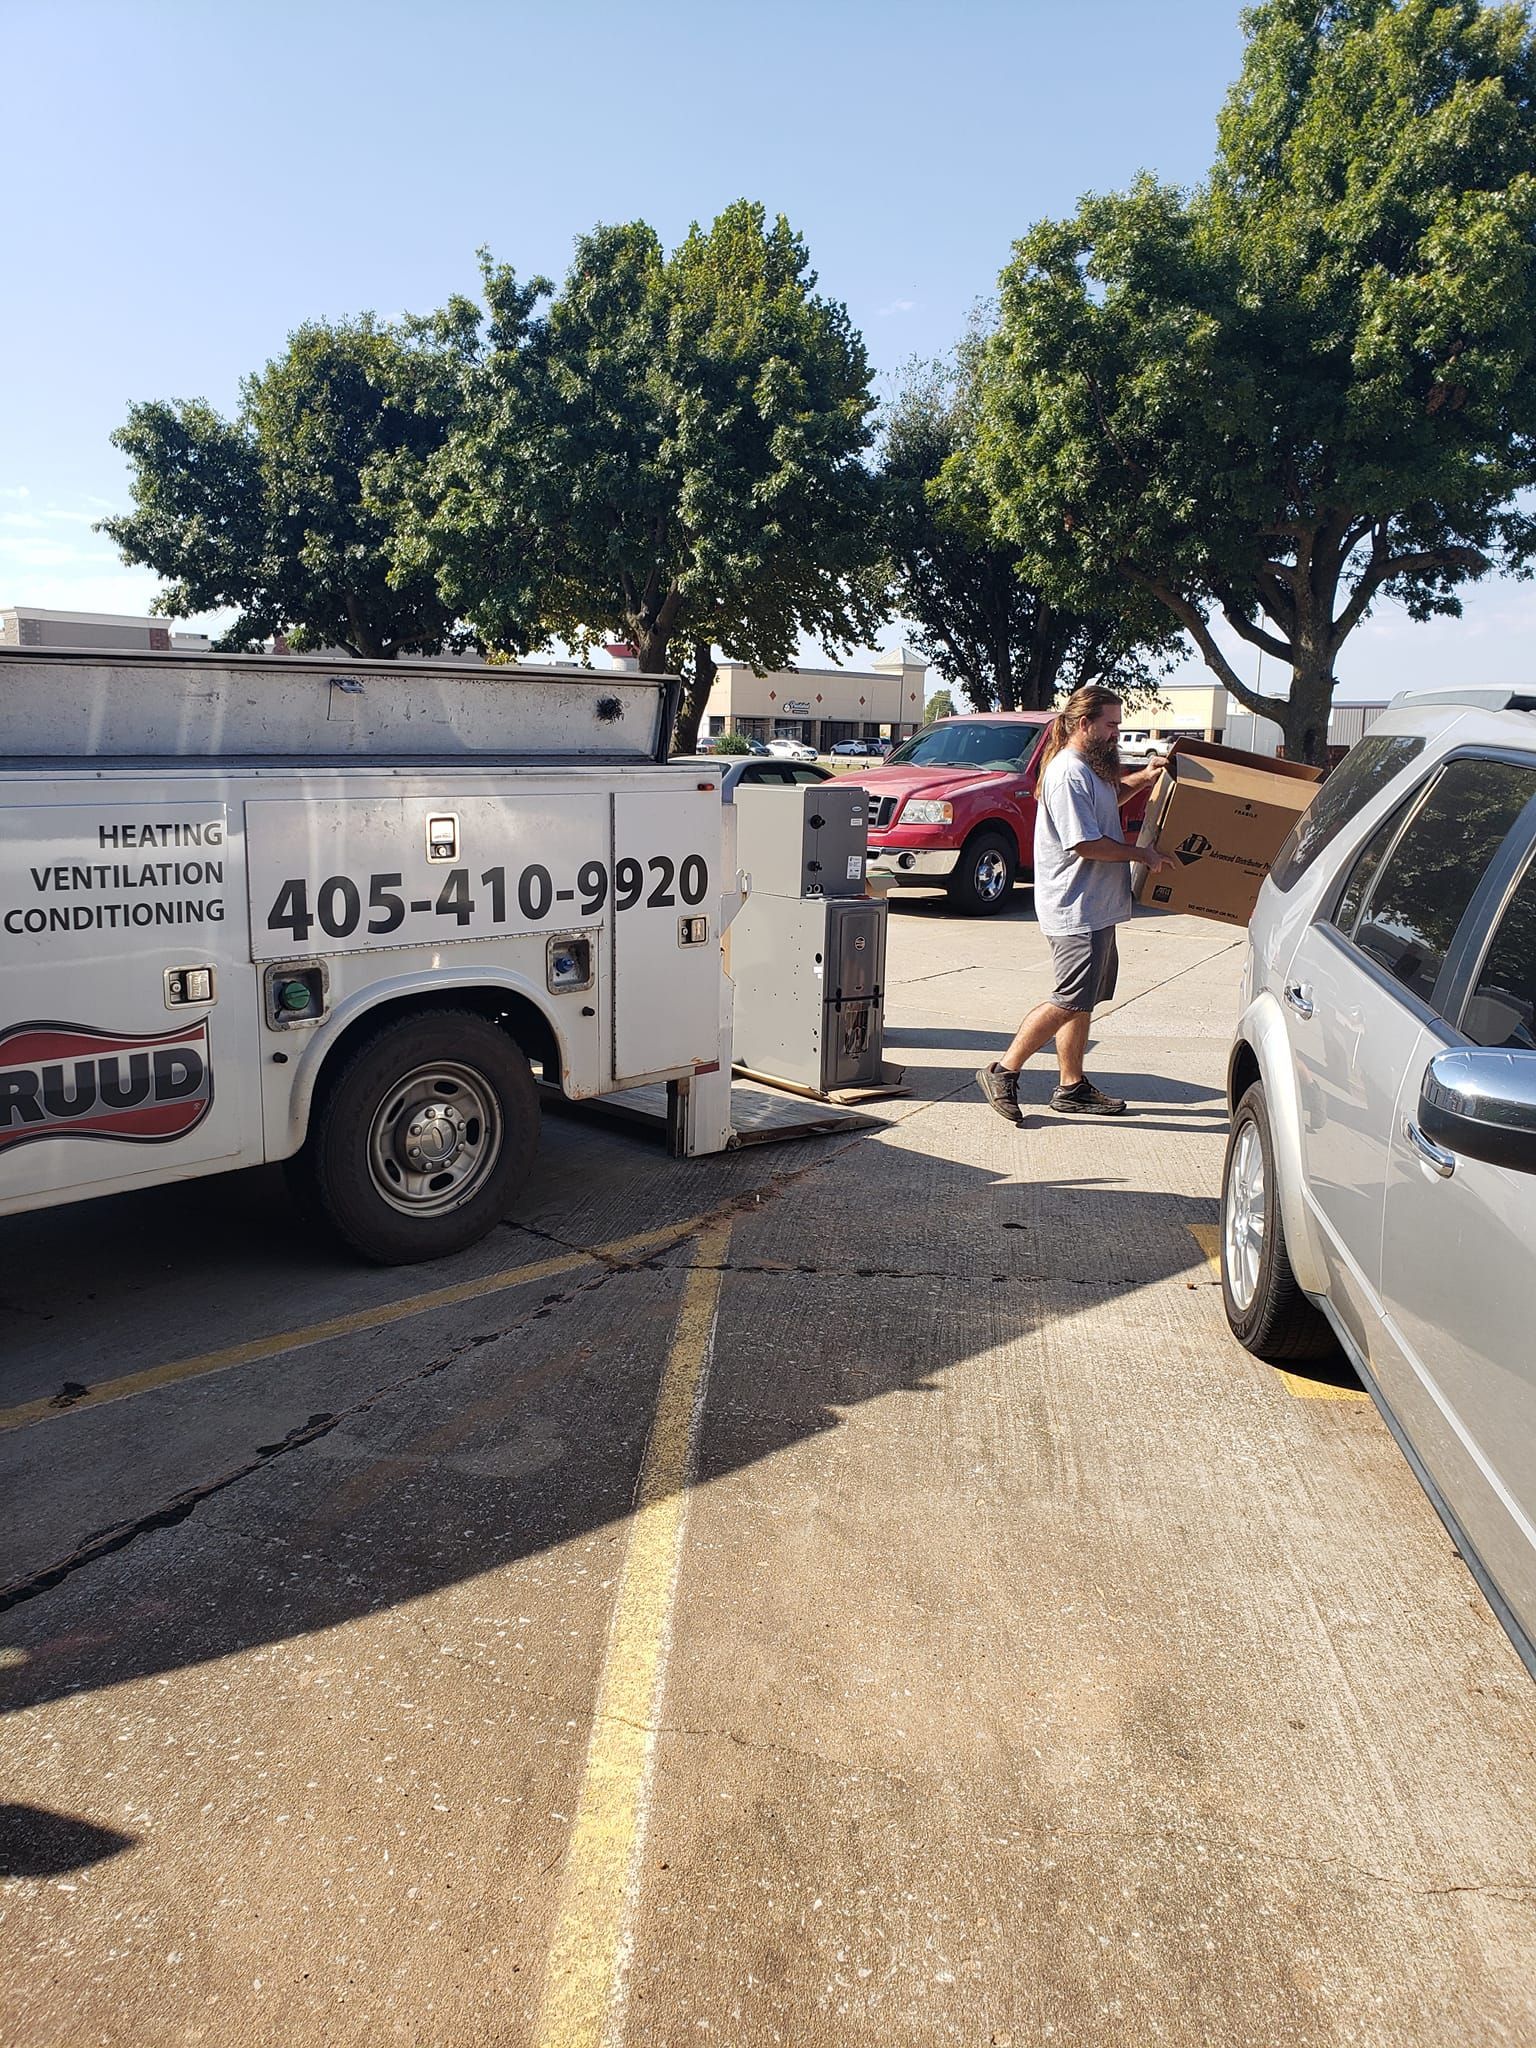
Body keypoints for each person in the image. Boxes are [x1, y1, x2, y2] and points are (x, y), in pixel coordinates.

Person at [976, 685, 1176, 1123]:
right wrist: (1143, 854)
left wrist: (1143, 778)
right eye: (1111, 725)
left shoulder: (1091, 770)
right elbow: (1085, 842)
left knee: (1083, 1000)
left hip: (1095, 906)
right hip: (1075, 908)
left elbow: (1106, 805)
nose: (1116, 734)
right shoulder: (1068, 772)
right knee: (1068, 998)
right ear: (1084, 724)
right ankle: (1003, 1070)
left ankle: (1071, 1086)